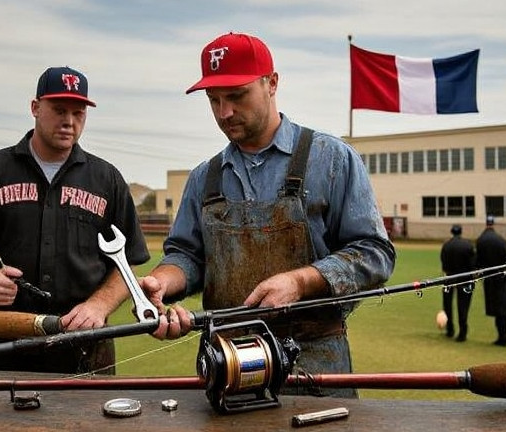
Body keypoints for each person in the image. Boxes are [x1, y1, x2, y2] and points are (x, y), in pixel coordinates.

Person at [140, 32, 396, 398]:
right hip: (227, 366)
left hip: (317, 369)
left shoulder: (333, 159)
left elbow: (375, 253)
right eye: (214, 100)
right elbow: (187, 255)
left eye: (236, 96)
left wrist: (301, 281)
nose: (224, 112)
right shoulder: (204, 177)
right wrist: (164, 281)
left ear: (271, 83)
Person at [0, 66, 150, 373]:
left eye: (78, 113)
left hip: (85, 341)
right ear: (35, 108)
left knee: (92, 423)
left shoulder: (107, 180)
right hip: (1, 339)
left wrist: (99, 306)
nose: (69, 121)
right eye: (59, 110)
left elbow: (128, 261)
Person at [476, 215, 506, 346]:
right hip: (503, 279)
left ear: (486, 224)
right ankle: (504, 334)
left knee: (496, 309)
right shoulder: (502, 240)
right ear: (494, 224)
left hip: (489, 280)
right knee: (505, 308)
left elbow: (478, 262)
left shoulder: (481, 240)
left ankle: (501, 336)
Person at [439, 224, 475, 342]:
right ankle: (462, 332)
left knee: (448, 304)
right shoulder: (468, 245)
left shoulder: (446, 245)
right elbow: (473, 263)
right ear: (461, 232)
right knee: (463, 306)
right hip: (465, 277)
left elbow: (443, 263)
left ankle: (450, 330)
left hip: (449, 277)